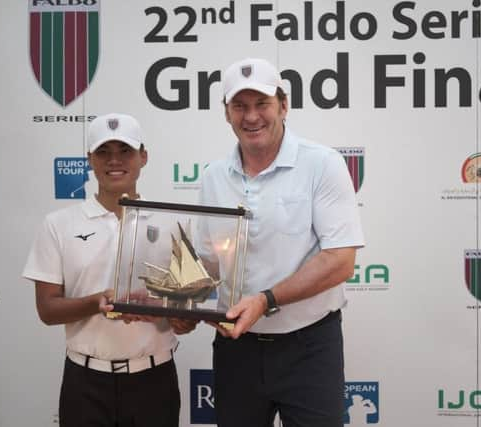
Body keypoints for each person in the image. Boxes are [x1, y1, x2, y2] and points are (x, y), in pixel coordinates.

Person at [195, 58, 365, 427]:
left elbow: (340, 260)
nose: (251, 116)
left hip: (309, 348)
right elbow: (206, 266)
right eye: (239, 106)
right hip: (236, 350)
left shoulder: (323, 164)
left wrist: (265, 300)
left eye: (262, 104)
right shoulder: (212, 178)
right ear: (226, 113)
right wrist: (174, 307)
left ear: (283, 106)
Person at [22, 113, 192, 427]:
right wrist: (96, 302)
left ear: (143, 156)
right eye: (103, 152)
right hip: (84, 383)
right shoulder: (58, 225)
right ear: (89, 160)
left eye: (125, 150)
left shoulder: (172, 222)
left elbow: (186, 314)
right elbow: (47, 309)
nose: (114, 160)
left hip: (154, 381)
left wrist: (182, 317)